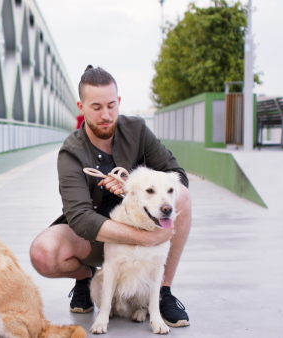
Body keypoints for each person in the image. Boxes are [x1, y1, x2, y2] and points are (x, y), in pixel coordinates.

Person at [29, 65, 192, 328]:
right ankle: (87, 277)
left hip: (141, 219)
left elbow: (176, 174)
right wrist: (148, 238)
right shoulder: (71, 152)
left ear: (119, 102)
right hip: (94, 237)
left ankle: (162, 292)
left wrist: (134, 184)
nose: (106, 115)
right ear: (81, 107)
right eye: (96, 107)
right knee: (43, 254)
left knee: (181, 195)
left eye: (111, 105)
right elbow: (80, 219)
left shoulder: (137, 130)